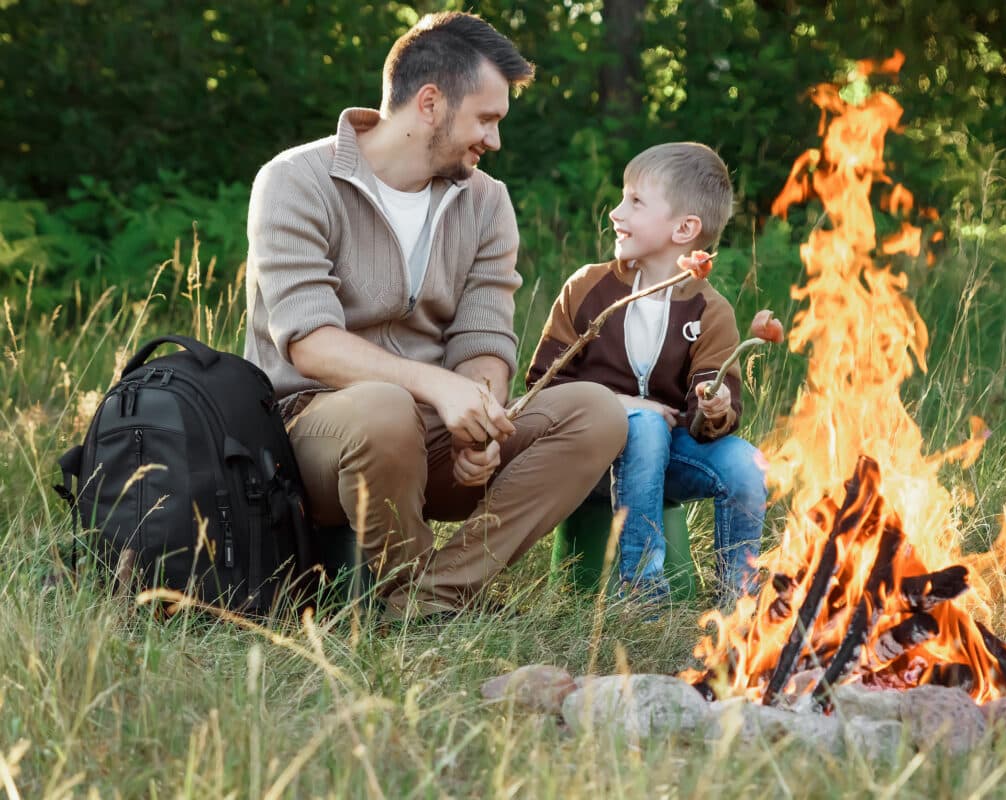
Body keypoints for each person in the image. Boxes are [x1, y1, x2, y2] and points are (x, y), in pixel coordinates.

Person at [244, 11, 627, 619]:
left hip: (435, 437)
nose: (494, 141)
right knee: (384, 404)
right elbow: (310, 343)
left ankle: (430, 597)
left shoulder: (486, 201)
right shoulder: (296, 181)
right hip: (316, 435)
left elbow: (484, 332)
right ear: (429, 103)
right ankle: (417, 594)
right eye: (486, 119)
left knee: (597, 411)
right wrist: (437, 388)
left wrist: (478, 413)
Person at [526, 142, 767, 608]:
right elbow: (542, 388)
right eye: (623, 197)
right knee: (647, 424)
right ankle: (641, 592)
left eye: (634, 202)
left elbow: (709, 414)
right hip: (588, 456)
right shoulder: (589, 289)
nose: (616, 212)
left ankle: (737, 602)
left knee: (745, 464)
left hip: (665, 461)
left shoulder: (710, 310)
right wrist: (626, 407)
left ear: (685, 229)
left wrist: (714, 407)